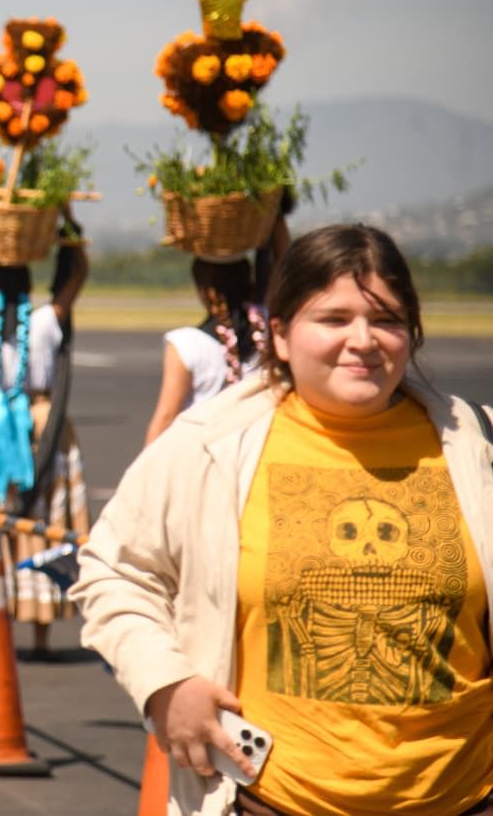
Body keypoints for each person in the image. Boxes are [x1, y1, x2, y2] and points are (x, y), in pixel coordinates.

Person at [69, 224, 493, 815]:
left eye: (388, 319)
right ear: (282, 335)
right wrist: (166, 684)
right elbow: (113, 571)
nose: (363, 340)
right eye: (334, 318)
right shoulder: (209, 443)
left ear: (413, 335)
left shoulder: (479, 448)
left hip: (464, 799)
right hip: (271, 800)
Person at [0, 260, 91, 659]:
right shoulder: (47, 323)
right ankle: (42, 633)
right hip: (45, 432)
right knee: (44, 523)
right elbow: (76, 273)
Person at [144, 257, 268, 445]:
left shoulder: (186, 343)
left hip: (204, 454)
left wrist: (146, 471)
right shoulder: (268, 328)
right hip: (256, 449)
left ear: (207, 291)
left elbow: (166, 417)